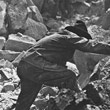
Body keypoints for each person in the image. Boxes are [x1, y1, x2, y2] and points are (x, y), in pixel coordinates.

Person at [15, 20, 110, 110]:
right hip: (36, 64)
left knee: (25, 100)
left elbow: (57, 69)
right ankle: (80, 99)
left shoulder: (57, 39)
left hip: (24, 65)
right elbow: (90, 46)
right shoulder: (69, 37)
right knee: (69, 75)